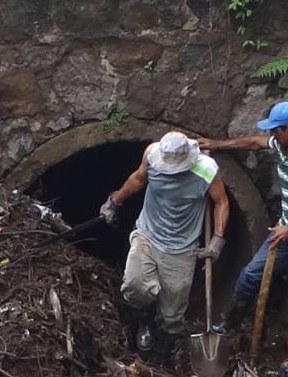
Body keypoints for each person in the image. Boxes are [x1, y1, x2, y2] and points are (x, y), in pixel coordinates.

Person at [209, 100, 288, 365]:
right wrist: (214, 144)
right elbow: (254, 142)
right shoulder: (281, 145)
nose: (271, 135)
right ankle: (229, 326)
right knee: (249, 276)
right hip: (285, 230)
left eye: (276, 130)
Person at [98, 131, 228, 359]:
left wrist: (217, 239)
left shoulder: (206, 169)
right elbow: (138, 178)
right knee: (135, 286)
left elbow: (221, 202)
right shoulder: (152, 154)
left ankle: (163, 351)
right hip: (147, 235)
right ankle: (144, 322)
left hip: (181, 248)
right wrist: (115, 201)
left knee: (172, 316)